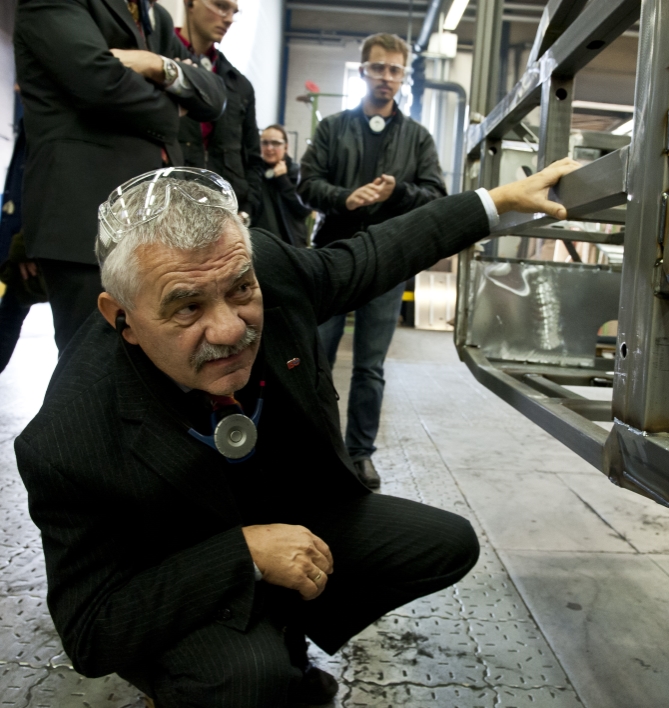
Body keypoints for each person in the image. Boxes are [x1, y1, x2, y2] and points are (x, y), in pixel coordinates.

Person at [15, 160, 577, 707]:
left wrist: (498, 202)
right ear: (123, 318)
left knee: (446, 545)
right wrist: (245, 556)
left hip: (280, 509)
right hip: (175, 571)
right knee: (245, 679)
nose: (231, 329)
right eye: (186, 308)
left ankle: (285, 628)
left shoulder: (274, 273)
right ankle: (211, 672)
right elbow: (91, 632)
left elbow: (376, 253)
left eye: (240, 290)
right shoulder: (70, 438)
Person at [13, 0, 227, 353]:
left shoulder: (154, 16)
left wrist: (155, 64)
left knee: (150, 365)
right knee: (91, 368)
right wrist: (173, 104)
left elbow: (214, 95)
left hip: (157, 220)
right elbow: (99, 83)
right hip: (85, 216)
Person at [300, 32, 447, 490]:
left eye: (395, 70)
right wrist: (347, 198)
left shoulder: (418, 138)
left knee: (369, 367)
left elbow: (436, 195)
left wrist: (397, 192)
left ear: (403, 76)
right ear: (363, 71)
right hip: (334, 257)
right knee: (315, 358)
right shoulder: (332, 128)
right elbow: (307, 182)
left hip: (388, 259)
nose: (386, 77)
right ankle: (314, 450)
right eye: (378, 68)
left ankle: (359, 455)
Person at [175, 0, 262, 222]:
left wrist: (247, 210)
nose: (229, 18)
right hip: (168, 210)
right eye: (221, 6)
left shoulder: (239, 85)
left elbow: (252, 158)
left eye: (234, 12)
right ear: (190, 3)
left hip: (224, 217)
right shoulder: (159, 63)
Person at [0, 94, 45, 374]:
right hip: (29, 238)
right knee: (10, 315)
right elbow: (20, 179)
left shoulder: (44, 117)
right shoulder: (33, 118)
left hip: (39, 235)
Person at [252, 125, 312, 247]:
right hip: (260, 245)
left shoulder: (298, 173)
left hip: (290, 245)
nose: (269, 148)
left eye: (275, 143)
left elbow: (304, 210)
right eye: (264, 143)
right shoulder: (255, 173)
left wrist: (283, 180)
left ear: (286, 146)